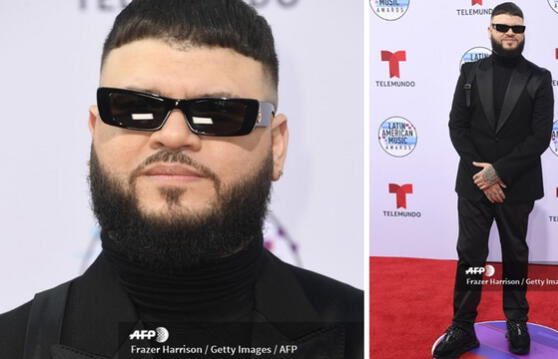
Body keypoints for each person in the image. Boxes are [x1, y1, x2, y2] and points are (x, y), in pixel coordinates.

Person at [0, 1, 363, 358]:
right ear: (95, 132)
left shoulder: (371, 337)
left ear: (277, 145)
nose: (174, 136)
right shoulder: (11, 343)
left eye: (218, 113)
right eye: (136, 109)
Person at [433, 2, 553, 358]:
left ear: (524, 32)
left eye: (517, 28)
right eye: (502, 27)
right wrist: (482, 175)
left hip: (517, 183)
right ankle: (462, 326)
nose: (510, 33)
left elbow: (539, 137)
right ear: (489, 30)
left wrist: (497, 172)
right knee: (470, 255)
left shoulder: (539, 77)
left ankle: (516, 320)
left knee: (515, 253)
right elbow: (458, 126)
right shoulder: (470, 72)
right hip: (473, 184)